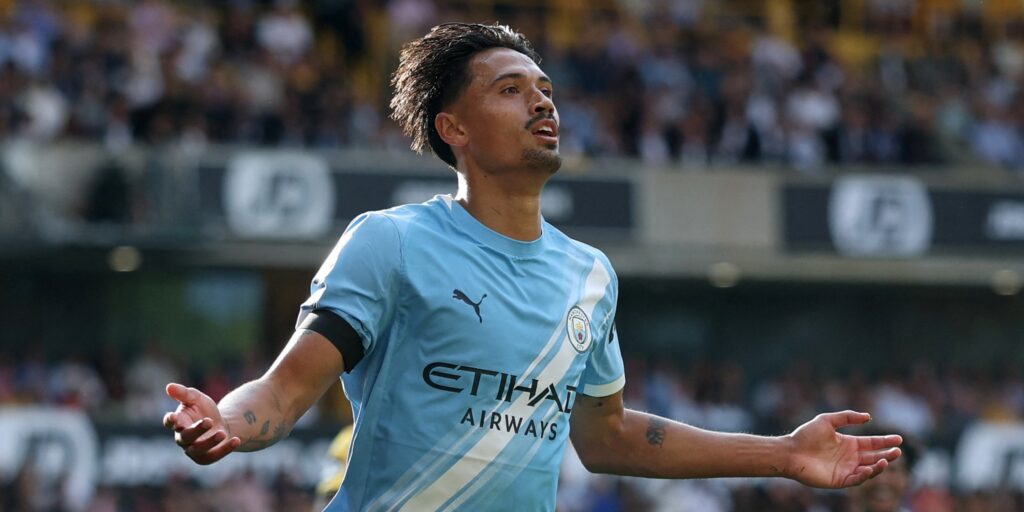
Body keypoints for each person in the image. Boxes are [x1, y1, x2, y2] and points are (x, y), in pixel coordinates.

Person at [162, 22, 903, 511]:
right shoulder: (389, 243)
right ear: (452, 129)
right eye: (510, 90)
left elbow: (606, 436)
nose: (541, 103)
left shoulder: (590, 275)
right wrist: (225, 422)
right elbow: (285, 393)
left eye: (545, 90)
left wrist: (780, 453)